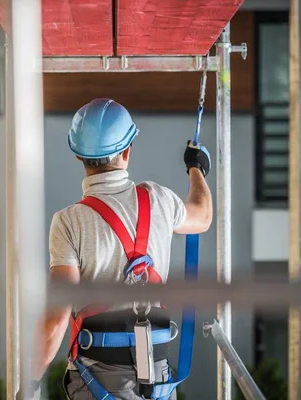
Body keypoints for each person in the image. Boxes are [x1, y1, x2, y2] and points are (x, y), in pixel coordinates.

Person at [27, 98, 213, 400]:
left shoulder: (68, 222)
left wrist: (30, 380)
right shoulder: (159, 200)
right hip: (156, 378)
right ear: (126, 151)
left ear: (78, 156)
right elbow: (202, 216)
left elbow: (57, 317)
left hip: (95, 380)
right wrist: (197, 169)